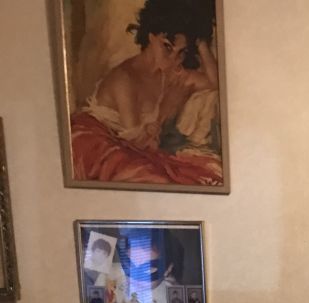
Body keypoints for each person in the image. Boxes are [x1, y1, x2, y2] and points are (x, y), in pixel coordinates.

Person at [69, 0, 224, 186]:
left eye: (181, 52)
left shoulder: (172, 73)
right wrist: (166, 110)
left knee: (209, 173)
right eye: (167, 47)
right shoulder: (124, 78)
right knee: (154, 178)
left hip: (137, 151)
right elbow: (137, 144)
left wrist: (199, 40)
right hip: (100, 145)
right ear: (151, 35)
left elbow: (214, 82)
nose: (173, 58)